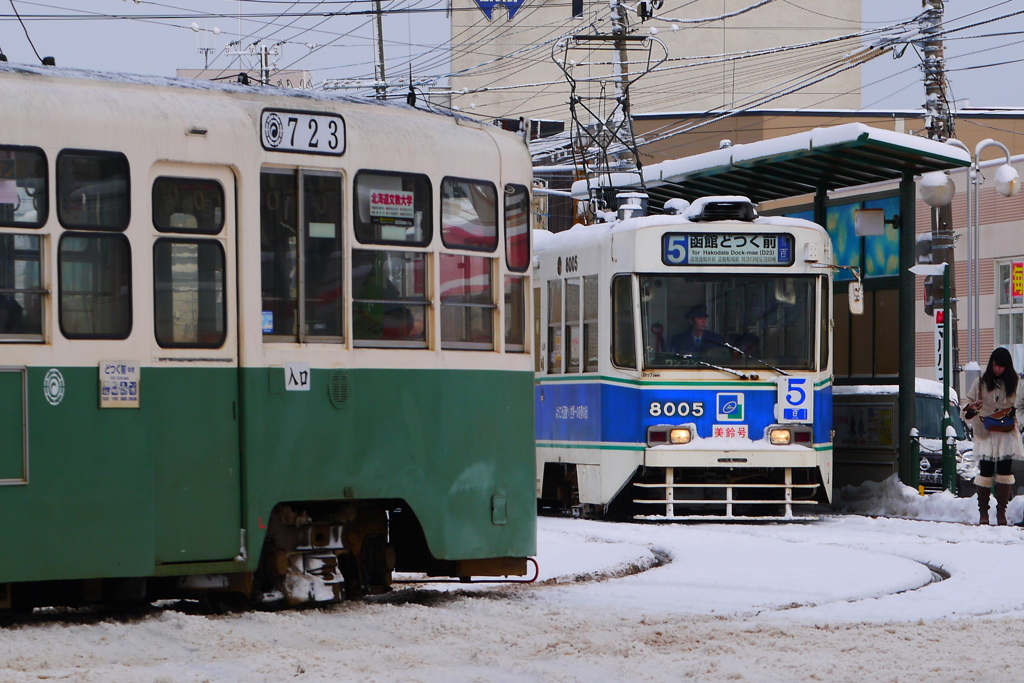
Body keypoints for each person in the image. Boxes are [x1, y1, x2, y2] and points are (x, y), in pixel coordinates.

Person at [964, 347, 1024, 525]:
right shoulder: (981, 382)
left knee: (1005, 472)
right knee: (985, 471)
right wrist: (972, 408)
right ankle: (984, 512)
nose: (997, 369)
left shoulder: (1016, 383)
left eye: (1001, 366)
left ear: (1008, 367)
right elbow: (967, 406)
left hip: (1007, 434)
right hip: (986, 433)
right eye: (995, 365)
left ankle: (1001, 513)